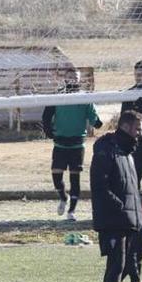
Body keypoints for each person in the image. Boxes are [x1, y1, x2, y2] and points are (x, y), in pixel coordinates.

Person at [90, 110, 142, 282]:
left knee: (117, 268)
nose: (140, 134)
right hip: (114, 220)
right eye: (138, 129)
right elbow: (100, 186)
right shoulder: (106, 151)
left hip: (127, 220)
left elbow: (131, 188)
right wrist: (121, 208)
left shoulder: (127, 153)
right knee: (116, 268)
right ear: (126, 127)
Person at [42, 69, 103, 220]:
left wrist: (98, 123)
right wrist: (49, 131)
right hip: (60, 143)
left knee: (74, 178)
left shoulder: (84, 98)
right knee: (56, 176)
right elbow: (46, 116)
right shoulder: (57, 96)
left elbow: (94, 118)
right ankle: (63, 197)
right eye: (70, 77)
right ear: (64, 79)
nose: (72, 80)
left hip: (77, 144)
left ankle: (71, 211)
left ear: (79, 80)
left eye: (75, 77)